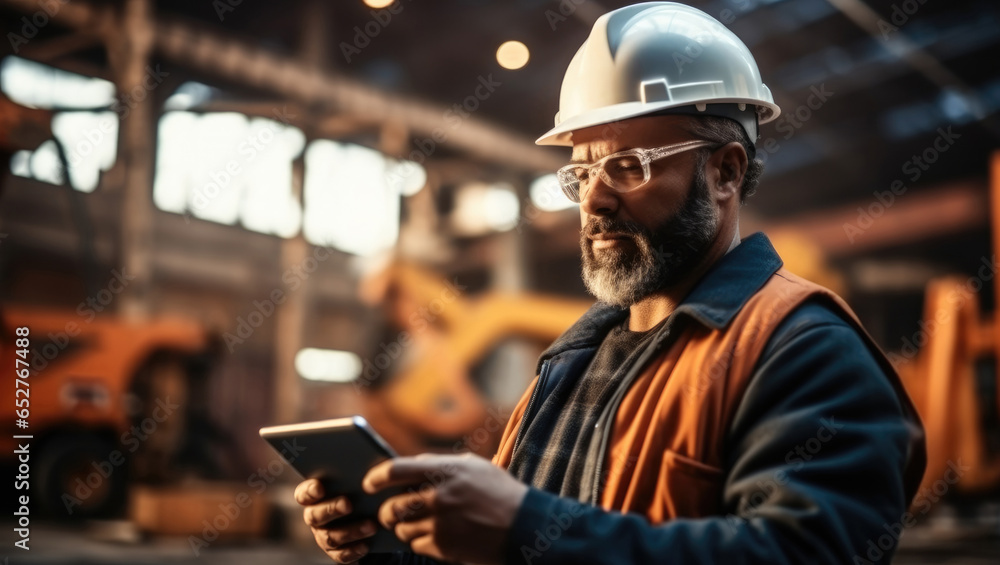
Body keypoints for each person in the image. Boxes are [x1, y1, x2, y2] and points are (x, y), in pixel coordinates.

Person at [294, 2, 926, 564]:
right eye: (580, 173)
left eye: (628, 166)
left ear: (726, 173)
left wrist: (524, 525)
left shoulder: (804, 351)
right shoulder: (572, 360)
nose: (592, 202)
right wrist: (398, 538)